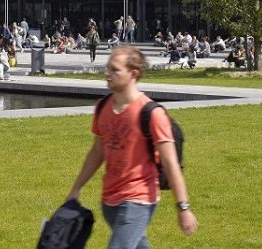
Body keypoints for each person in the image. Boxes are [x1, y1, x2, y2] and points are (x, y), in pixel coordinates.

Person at [66, 46, 198, 249]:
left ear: (133, 74)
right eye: (108, 68)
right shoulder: (102, 107)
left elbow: (171, 164)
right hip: (110, 200)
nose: (107, 74)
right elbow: (97, 152)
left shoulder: (152, 114)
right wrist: (76, 188)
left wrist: (183, 207)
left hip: (139, 199)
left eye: (114, 69)